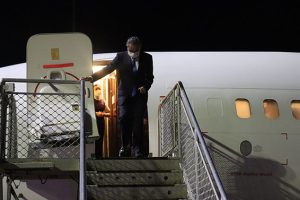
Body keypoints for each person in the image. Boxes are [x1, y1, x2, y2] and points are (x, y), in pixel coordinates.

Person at [85, 36, 154, 157]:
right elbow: (108, 69)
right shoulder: (121, 56)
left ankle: (137, 150)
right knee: (123, 120)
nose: (133, 54)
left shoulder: (147, 58)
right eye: (131, 51)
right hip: (124, 95)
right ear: (127, 47)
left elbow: (150, 77)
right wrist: (92, 78)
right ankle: (125, 146)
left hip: (140, 96)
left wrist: (146, 86)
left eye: (136, 51)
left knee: (138, 122)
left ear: (140, 48)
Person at [93, 84, 111, 159]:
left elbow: (110, 113)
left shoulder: (103, 101)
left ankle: (99, 156)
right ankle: (93, 155)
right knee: (94, 139)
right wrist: (96, 113)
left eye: (99, 89)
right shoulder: (91, 100)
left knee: (100, 139)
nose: (98, 90)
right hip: (94, 122)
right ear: (93, 90)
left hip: (101, 122)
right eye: (96, 89)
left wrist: (103, 114)